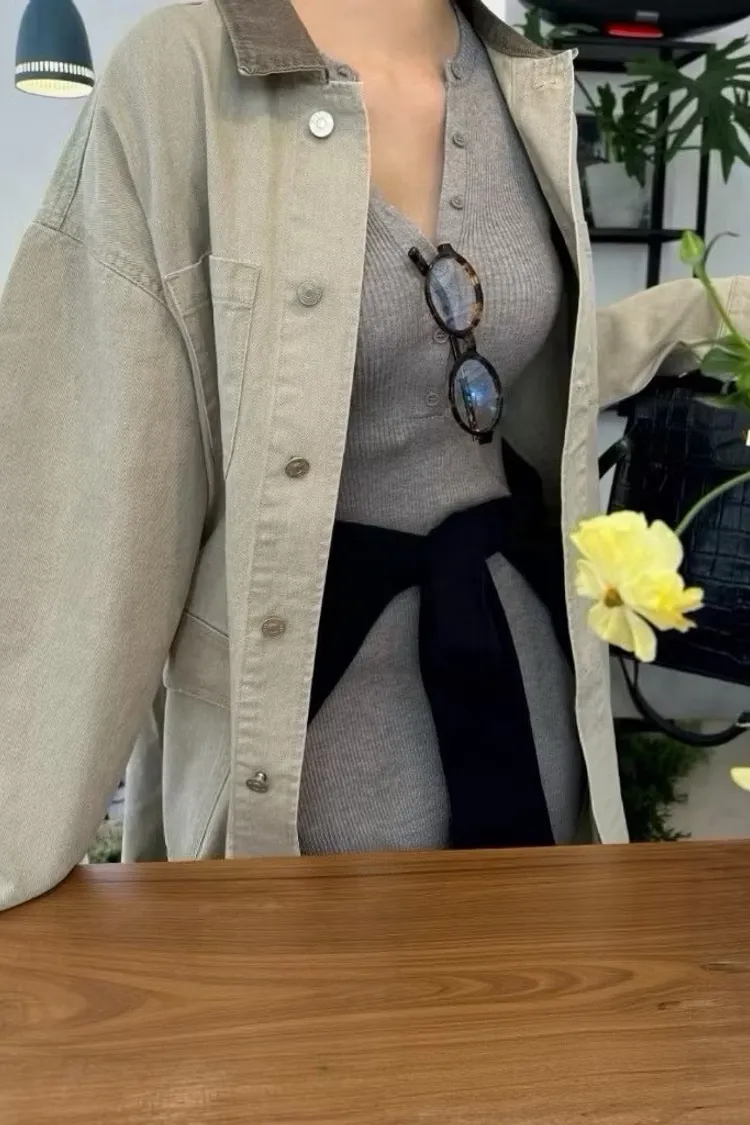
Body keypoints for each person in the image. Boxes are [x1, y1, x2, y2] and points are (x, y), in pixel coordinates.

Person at [1, 0, 748, 911]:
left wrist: (708, 314)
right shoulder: (181, 75)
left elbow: (505, 364)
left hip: (523, 695)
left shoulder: (521, 82)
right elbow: (79, 508)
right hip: (311, 752)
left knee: (533, 983)